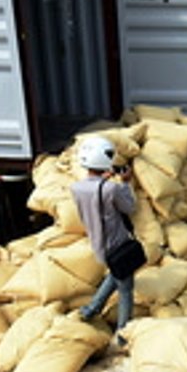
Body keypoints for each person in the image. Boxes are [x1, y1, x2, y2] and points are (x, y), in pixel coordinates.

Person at [72, 136, 137, 339]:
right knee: (126, 288)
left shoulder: (76, 188)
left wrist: (105, 179)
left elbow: (94, 199)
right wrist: (125, 183)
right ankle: (122, 333)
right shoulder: (111, 189)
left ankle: (91, 309)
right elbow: (130, 207)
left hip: (98, 243)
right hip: (117, 243)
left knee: (115, 274)